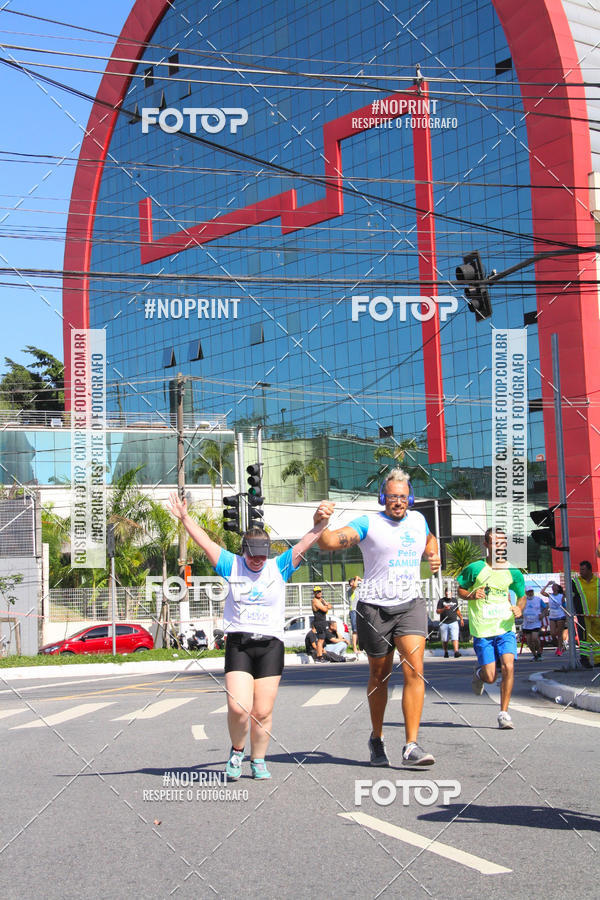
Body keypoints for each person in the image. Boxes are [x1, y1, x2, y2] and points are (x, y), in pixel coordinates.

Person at [168, 492, 334, 779]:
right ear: (243, 550)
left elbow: (308, 540)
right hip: (240, 644)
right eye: (252, 556)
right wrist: (184, 517)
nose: (257, 561)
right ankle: (236, 750)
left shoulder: (279, 566)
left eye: (262, 556)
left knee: (263, 712)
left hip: (270, 645)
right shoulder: (230, 564)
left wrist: (321, 521)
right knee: (238, 707)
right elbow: (205, 542)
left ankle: (258, 760)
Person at [317, 467, 441, 767]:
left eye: (402, 496)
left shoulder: (418, 520)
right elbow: (329, 542)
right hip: (374, 608)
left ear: (410, 498)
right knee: (379, 676)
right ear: (382, 497)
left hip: (410, 604)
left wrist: (434, 554)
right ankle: (377, 738)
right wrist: (320, 523)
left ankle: (411, 746)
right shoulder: (368, 523)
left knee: (414, 671)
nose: (397, 502)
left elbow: (430, 538)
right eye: (391, 496)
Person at [456, 528, 526, 729]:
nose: (499, 546)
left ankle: (504, 713)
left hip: (505, 626)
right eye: (495, 542)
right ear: (486, 545)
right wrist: (470, 595)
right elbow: (460, 589)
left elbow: (521, 596)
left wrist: (519, 608)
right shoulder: (475, 568)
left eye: (503, 542)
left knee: (508, 666)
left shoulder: (513, 571)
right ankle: (479, 674)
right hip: (483, 629)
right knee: (490, 676)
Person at [572, 560, 600, 668]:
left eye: (583, 569)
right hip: (583, 615)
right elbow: (569, 596)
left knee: (598, 637)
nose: (580, 572)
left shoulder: (597, 581)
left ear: (589, 570)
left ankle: (598, 660)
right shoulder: (575, 582)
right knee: (584, 638)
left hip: (597, 615)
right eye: (580, 569)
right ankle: (584, 659)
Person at [520, 588, 548, 661]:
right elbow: (519, 608)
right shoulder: (523, 600)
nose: (530, 593)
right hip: (527, 623)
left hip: (536, 622)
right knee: (529, 641)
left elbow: (545, 607)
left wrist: (543, 614)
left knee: (534, 638)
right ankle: (534, 655)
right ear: (526, 592)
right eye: (529, 592)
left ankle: (539, 652)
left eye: (531, 591)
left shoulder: (538, 599)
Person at [540, 581, 567, 656]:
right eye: (553, 586)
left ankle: (560, 648)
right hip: (552, 616)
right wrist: (548, 584)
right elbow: (542, 592)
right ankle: (560, 645)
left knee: (559, 633)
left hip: (560, 615)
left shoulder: (561, 595)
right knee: (552, 634)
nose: (553, 587)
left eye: (555, 586)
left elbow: (564, 603)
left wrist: (567, 615)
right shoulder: (550, 595)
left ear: (558, 588)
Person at [436, 593, 464, 658]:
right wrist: (444, 609)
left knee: (455, 637)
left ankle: (456, 652)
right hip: (444, 622)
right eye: (447, 593)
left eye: (449, 593)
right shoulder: (441, 601)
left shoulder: (454, 600)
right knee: (445, 639)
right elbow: (437, 611)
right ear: (445, 593)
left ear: (451, 593)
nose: (448, 595)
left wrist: (461, 618)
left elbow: (457, 610)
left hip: (453, 621)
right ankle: (446, 652)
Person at [311, 585, 331, 662]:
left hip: (322, 621)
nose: (319, 593)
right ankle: (319, 657)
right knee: (320, 640)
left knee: (322, 640)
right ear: (314, 593)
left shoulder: (321, 600)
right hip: (319, 622)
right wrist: (327, 606)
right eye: (317, 592)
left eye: (320, 591)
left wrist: (327, 606)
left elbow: (328, 605)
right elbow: (325, 609)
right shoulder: (315, 601)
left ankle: (320, 656)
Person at [347, 575, 362, 655]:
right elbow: (355, 585)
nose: (355, 583)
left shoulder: (357, 589)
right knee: (355, 630)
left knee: (360, 630)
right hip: (353, 611)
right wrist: (357, 578)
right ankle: (355, 648)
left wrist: (360, 580)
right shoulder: (350, 589)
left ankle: (360, 648)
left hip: (359, 611)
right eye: (353, 582)